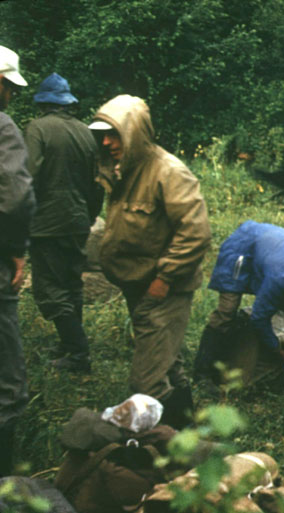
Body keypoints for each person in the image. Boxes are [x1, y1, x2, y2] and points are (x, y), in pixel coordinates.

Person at [88, 94, 211, 429]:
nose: (108, 142)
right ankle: (188, 434)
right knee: (168, 364)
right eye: (103, 136)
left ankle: (161, 449)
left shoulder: (169, 172)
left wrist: (165, 278)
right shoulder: (123, 170)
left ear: (135, 134)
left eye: (115, 135)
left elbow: (196, 232)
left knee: (146, 381)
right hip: (137, 283)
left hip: (164, 288)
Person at [194, 221, 284, 396]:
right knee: (226, 312)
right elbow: (259, 317)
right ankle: (202, 373)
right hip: (243, 246)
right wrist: (274, 346)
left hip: (274, 252)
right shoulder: (279, 280)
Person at [24, 73, 101, 373]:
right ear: (68, 103)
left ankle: (79, 354)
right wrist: (91, 215)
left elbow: (28, 176)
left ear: (43, 102)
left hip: (47, 223)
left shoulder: (37, 128)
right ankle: (68, 344)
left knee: (49, 289)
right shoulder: (85, 132)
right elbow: (97, 182)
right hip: (79, 220)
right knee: (71, 284)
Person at [0, 45, 36, 476]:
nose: (10, 96)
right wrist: (15, 250)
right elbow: (14, 196)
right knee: (8, 383)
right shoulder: (3, 127)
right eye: (8, 86)